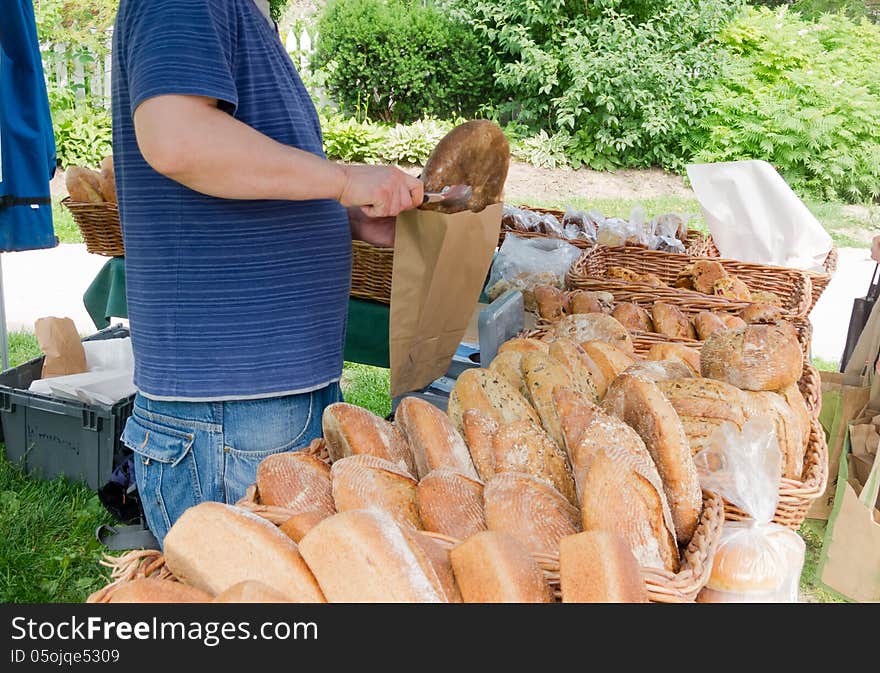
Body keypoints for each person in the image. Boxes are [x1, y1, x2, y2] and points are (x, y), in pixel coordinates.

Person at [112, 0, 423, 545]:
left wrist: (343, 216)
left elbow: (241, 177)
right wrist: (347, 180)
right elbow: (177, 138)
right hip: (232, 406)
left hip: (258, 397)